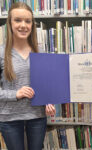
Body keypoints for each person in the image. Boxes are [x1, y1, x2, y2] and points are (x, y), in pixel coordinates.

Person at [0, 2, 56, 150]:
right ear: (10, 23)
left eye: (28, 21)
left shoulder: (40, 52)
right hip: (9, 118)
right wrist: (15, 94)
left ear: (32, 24)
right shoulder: (1, 53)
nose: (23, 25)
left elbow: (46, 85)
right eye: (18, 20)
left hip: (37, 117)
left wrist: (48, 101)